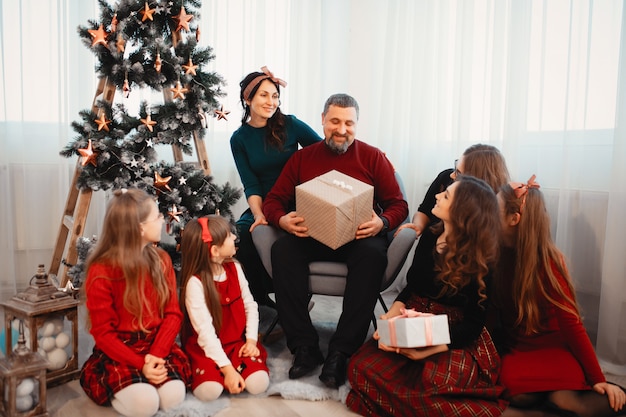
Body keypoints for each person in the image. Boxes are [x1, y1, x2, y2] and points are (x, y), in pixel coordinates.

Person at [261, 93, 409, 388]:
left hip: (358, 237)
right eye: (335, 121)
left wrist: (382, 222)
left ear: (357, 124)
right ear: (323, 120)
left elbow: (398, 204)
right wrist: (282, 219)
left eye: (349, 123)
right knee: (283, 249)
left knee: (373, 256)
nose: (342, 129)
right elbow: (274, 200)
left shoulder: (373, 156)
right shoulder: (302, 158)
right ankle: (304, 347)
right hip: (312, 234)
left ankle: (341, 352)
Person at [346, 175, 507, 417]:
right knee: (360, 367)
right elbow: (411, 288)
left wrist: (429, 349)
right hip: (412, 316)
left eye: (446, 195)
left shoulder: (485, 258)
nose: (437, 196)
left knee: (435, 383)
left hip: (452, 334)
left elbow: (473, 325)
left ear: (464, 210)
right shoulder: (431, 234)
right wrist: (389, 318)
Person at [493, 176, 626, 416]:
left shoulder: (550, 262)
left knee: (568, 399)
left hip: (554, 347)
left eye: (494, 209)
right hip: (520, 348)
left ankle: (607, 395)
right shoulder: (496, 253)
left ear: (513, 219)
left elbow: (572, 325)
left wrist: (597, 378)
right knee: (517, 392)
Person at [79, 188, 190, 417]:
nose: (162, 220)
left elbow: (173, 314)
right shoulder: (102, 270)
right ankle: (128, 391)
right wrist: (141, 364)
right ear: (139, 227)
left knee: (173, 397)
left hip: (156, 346)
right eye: (157, 216)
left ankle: (140, 384)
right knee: (145, 404)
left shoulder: (162, 260)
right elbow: (103, 334)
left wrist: (157, 355)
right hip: (122, 350)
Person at [230, 66, 322, 308]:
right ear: (247, 98)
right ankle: (261, 299)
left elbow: (325, 151)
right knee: (245, 234)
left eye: (275, 96)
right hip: (264, 203)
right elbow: (250, 183)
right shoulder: (239, 139)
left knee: (290, 242)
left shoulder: (291, 124)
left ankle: (291, 297)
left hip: (296, 202)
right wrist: (259, 216)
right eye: (264, 95)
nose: (271, 102)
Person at [179, 215, 270, 400]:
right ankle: (220, 373)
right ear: (214, 250)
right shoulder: (195, 284)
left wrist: (251, 341)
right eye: (229, 236)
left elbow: (250, 306)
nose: (235, 238)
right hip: (205, 348)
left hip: (237, 345)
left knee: (259, 383)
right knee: (209, 392)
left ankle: (233, 370)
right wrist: (228, 370)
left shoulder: (235, 268)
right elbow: (205, 334)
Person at [396, 143, 510, 239]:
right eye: (455, 166)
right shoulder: (445, 178)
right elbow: (424, 211)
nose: (452, 174)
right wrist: (418, 226)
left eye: (459, 173)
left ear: (476, 182)